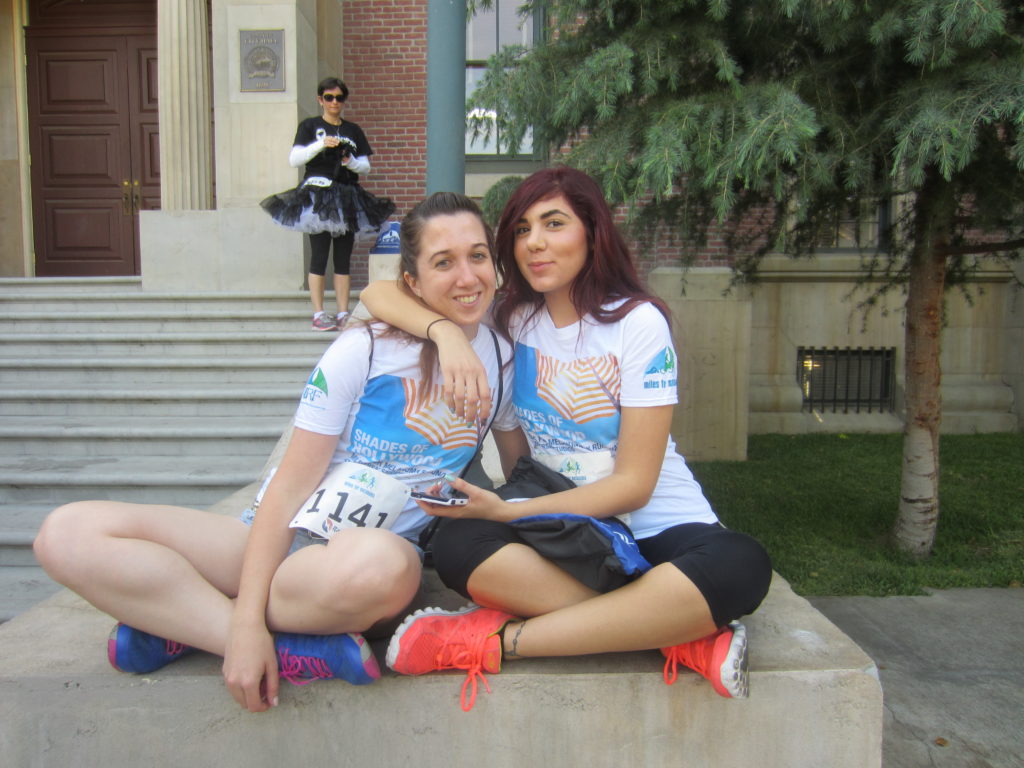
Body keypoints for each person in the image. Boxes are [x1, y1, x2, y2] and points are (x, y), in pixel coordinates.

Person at [33, 192, 521, 714]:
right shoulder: (365, 348)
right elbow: (290, 484)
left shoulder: (500, 355)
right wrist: (242, 631)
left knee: (382, 567)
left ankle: (181, 624)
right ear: (413, 282)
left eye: (477, 256)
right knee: (65, 534)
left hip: (361, 569)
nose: (467, 277)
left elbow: (518, 470)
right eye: (442, 262)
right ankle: (264, 641)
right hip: (282, 541)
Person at [360, 166, 772, 711]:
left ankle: (493, 640)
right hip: (566, 521)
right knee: (459, 542)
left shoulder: (637, 323)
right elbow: (376, 291)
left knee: (741, 566)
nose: (535, 243)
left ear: (592, 230)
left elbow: (634, 487)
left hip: (654, 524)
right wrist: (443, 334)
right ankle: (675, 630)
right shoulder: (511, 319)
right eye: (522, 229)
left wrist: (512, 514)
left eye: (554, 223)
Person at [260, 77, 395, 331]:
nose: (335, 103)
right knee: (319, 255)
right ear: (320, 99)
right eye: (329, 97)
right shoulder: (310, 126)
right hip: (318, 195)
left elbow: (365, 166)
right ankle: (319, 313)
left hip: (346, 195)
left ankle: (343, 312)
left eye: (339, 98)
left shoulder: (353, 130)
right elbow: (294, 159)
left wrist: (348, 160)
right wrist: (321, 144)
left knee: (343, 258)